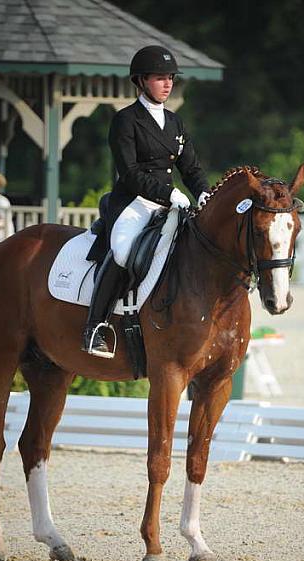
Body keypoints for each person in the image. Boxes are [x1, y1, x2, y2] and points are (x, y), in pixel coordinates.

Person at [82, 45, 210, 358]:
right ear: (140, 81)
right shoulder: (125, 121)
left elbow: (190, 167)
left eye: (170, 78)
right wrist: (170, 194)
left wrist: (204, 192)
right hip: (132, 203)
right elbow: (129, 173)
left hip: (170, 205)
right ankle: (95, 327)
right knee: (124, 252)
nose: (167, 84)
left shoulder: (175, 122)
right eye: (159, 78)